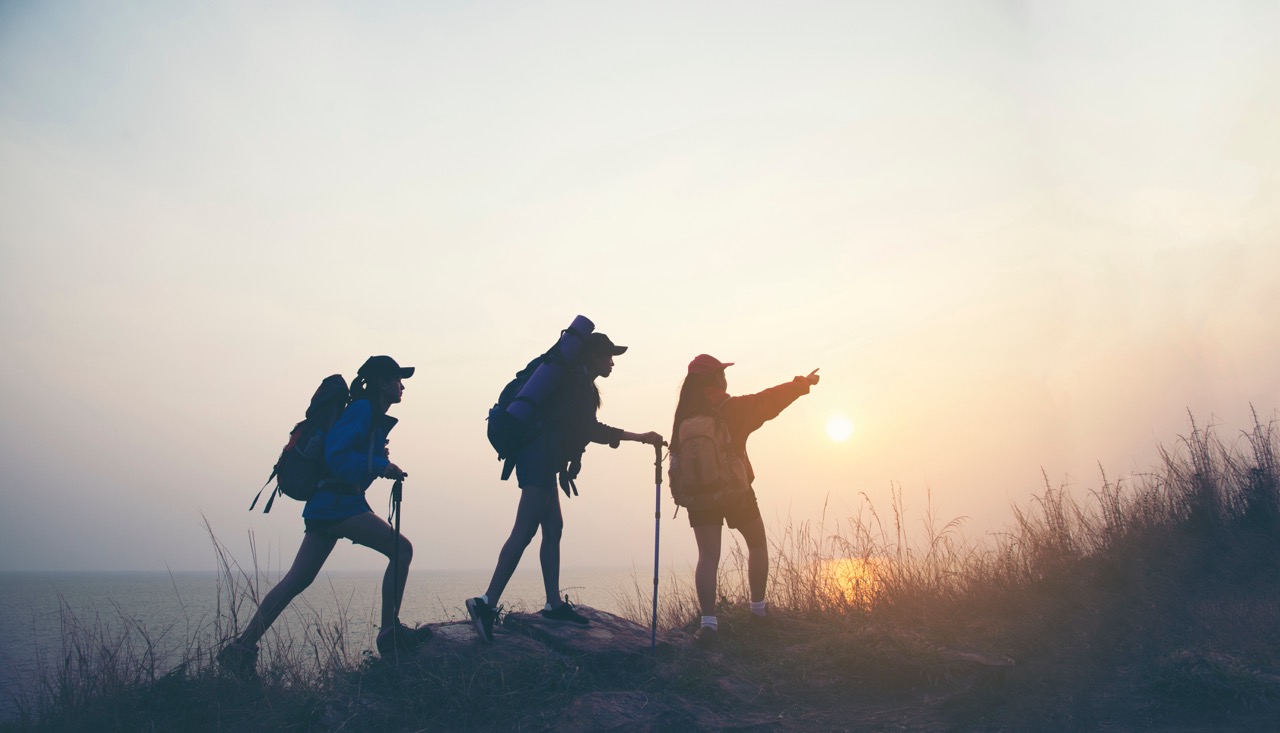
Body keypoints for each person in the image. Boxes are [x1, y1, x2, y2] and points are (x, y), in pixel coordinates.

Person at [218, 355, 431, 678]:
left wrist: (377, 462)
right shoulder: (362, 410)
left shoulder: (368, 414)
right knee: (401, 549)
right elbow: (336, 454)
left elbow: (349, 459)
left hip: (329, 504)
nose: (402, 386)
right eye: (398, 379)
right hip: (338, 503)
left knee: (297, 580)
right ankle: (390, 634)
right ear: (382, 383)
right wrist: (378, 465)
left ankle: (242, 648)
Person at [467, 332, 664, 642]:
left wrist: (567, 463)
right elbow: (589, 429)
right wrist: (639, 437)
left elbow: (570, 430)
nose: (612, 362)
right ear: (593, 357)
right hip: (538, 457)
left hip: (541, 456)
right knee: (525, 530)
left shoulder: (577, 383)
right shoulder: (577, 386)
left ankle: (553, 603)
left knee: (554, 527)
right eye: (608, 356)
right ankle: (486, 603)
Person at [671, 354, 819, 648]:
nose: (725, 377)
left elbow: (677, 458)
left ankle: (709, 624)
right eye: (721, 373)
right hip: (735, 491)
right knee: (757, 544)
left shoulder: (683, 416)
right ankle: (758, 610)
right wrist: (802, 384)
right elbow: (769, 401)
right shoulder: (732, 409)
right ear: (715, 379)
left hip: (701, 497)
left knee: (708, 557)